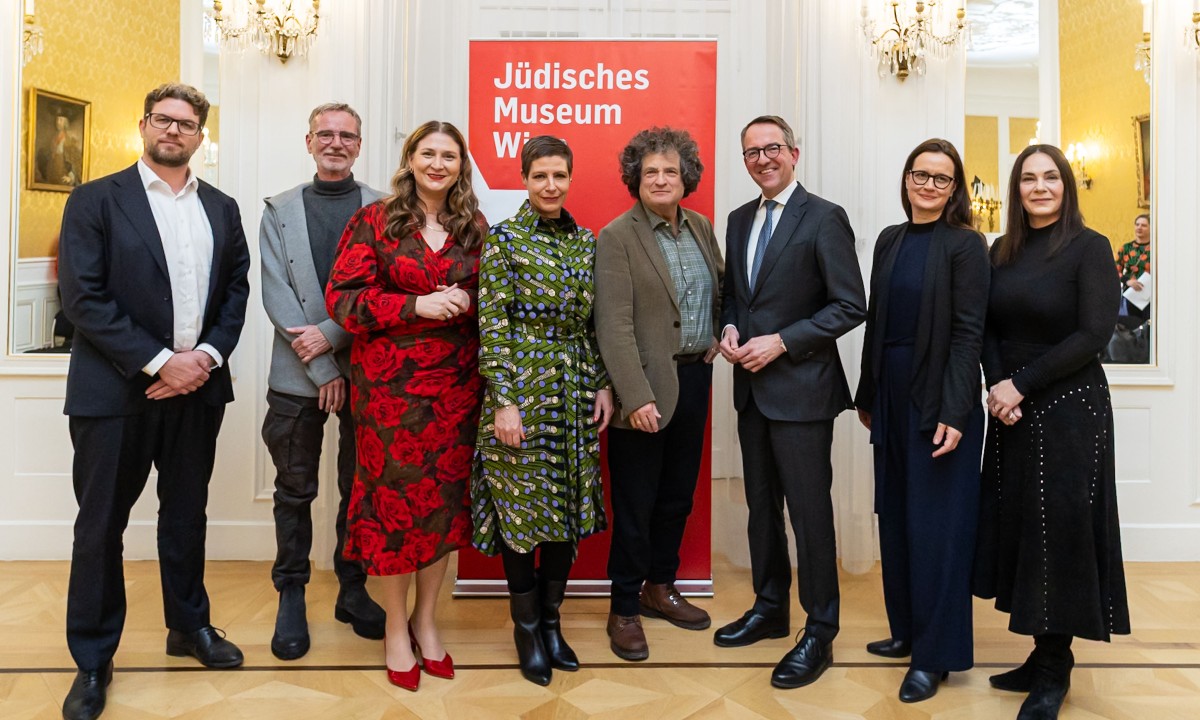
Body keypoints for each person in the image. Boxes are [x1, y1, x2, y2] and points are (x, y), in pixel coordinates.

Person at [56, 83, 251, 720]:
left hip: (197, 395)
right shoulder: (94, 200)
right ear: (144, 125)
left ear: (200, 136)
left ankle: (188, 627)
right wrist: (165, 362)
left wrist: (204, 361)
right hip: (113, 394)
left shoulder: (221, 207)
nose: (174, 130)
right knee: (101, 525)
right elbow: (84, 298)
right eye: (163, 120)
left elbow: (235, 294)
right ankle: (92, 659)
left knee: (186, 516)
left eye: (187, 123)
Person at [326, 120, 486, 693]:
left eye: (449, 155)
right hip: (389, 395)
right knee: (395, 509)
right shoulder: (374, 220)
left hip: (456, 392)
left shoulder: (474, 228)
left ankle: (426, 619)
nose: (438, 164)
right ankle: (395, 625)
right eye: (428, 153)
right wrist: (417, 305)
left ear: (460, 164)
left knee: (439, 509)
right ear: (410, 159)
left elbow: (493, 304)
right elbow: (342, 302)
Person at [973, 144, 1130, 720]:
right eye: (1028, 179)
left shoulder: (1090, 249)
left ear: (1066, 186)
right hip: (1013, 407)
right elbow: (985, 326)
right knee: (1023, 528)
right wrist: (998, 386)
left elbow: (1094, 333)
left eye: (1051, 178)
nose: (1040, 187)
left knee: (1059, 532)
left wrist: (1021, 384)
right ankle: (1040, 653)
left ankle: (1055, 669)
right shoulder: (1001, 251)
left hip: (1069, 407)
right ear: (1016, 190)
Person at [714, 115, 866, 689]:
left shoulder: (824, 217)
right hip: (751, 394)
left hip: (803, 394)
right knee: (760, 510)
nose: (762, 159)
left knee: (809, 516)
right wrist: (728, 330)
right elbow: (735, 297)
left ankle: (819, 630)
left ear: (793, 153)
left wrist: (782, 341)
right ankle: (770, 607)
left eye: (771, 148)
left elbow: (850, 305)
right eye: (751, 152)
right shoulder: (736, 220)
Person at [472, 136, 613, 685]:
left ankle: (552, 624)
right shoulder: (504, 240)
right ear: (525, 180)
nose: (550, 186)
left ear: (570, 178)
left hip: (574, 392)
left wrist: (601, 384)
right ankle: (526, 628)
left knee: (565, 514)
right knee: (522, 515)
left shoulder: (585, 241)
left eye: (559, 176)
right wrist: (504, 401)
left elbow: (594, 322)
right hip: (519, 399)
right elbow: (493, 324)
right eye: (539, 177)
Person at [853, 139, 989, 702]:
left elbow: (967, 334)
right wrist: (867, 394)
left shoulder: (967, 245)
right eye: (921, 175)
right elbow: (877, 321)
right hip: (890, 394)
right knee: (899, 519)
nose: (929, 185)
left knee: (938, 530)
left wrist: (957, 409)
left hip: (941, 401)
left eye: (941, 178)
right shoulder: (890, 239)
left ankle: (936, 656)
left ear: (954, 189)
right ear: (906, 179)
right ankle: (906, 632)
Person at [259, 102, 387, 661]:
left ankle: (352, 588)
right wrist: (320, 368)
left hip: (369, 370)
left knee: (360, 486)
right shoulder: (278, 209)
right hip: (295, 371)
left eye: (347, 136)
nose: (336, 143)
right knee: (294, 489)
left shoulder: (388, 208)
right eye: (325, 134)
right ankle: (291, 591)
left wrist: (332, 344)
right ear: (308, 141)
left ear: (359, 145)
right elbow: (275, 293)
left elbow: (386, 290)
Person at [595, 127, 724, 662]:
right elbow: (614, 325)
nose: (661, 179)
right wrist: (634, 396)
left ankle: (660, 587)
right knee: (636, 502)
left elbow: (719, 289)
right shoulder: (617, 236)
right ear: (635, 179)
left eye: (670, 170)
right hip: (643, 391)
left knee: (677, 497)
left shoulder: (700, 227)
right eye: (651, 172)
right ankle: (624, 606)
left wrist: (716, 333)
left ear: (685, 176)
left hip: (694, 380)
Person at [1114, 213, 1151, 324]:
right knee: (1132, 326)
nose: (1139, 227)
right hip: (1132, 295)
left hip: (1151, 295)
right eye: (1137, 224)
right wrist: (1128, 281)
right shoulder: (1126, 248)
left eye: (1143, 225)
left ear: (1151, 228)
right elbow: (1115, 270)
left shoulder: (1156, 248)